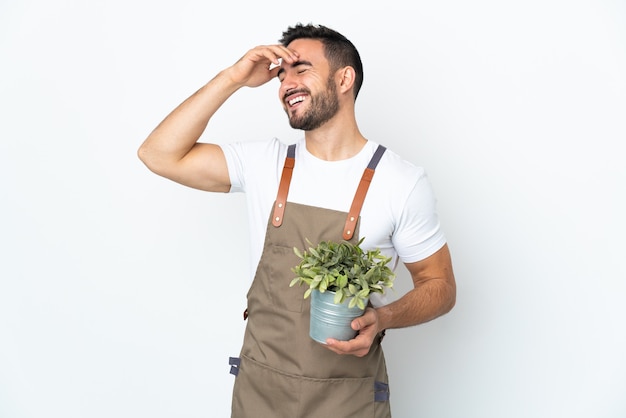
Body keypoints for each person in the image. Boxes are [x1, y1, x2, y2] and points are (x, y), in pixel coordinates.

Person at [138, 23, 456, 418]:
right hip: (260, 394)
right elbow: (158, 154)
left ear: (344, 78)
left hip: (347, 401)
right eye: (281, 74)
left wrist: (384, 317)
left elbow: (440, 286)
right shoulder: (262, 164)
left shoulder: (401, 182)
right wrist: (233, 77)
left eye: (301, 68)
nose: (286, 82)